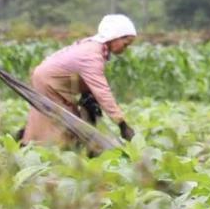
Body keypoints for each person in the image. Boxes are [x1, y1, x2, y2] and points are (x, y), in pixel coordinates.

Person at [22, 14, 137, 148]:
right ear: (115, 36)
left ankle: (29, 142)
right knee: (65, 126)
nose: (125, 48)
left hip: (50, 80)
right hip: (49, 83)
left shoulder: (95, 47)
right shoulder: (92, 55)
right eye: (125, 44)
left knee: (57, 122)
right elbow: (103, 93)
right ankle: (42, 151)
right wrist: (122, 124)